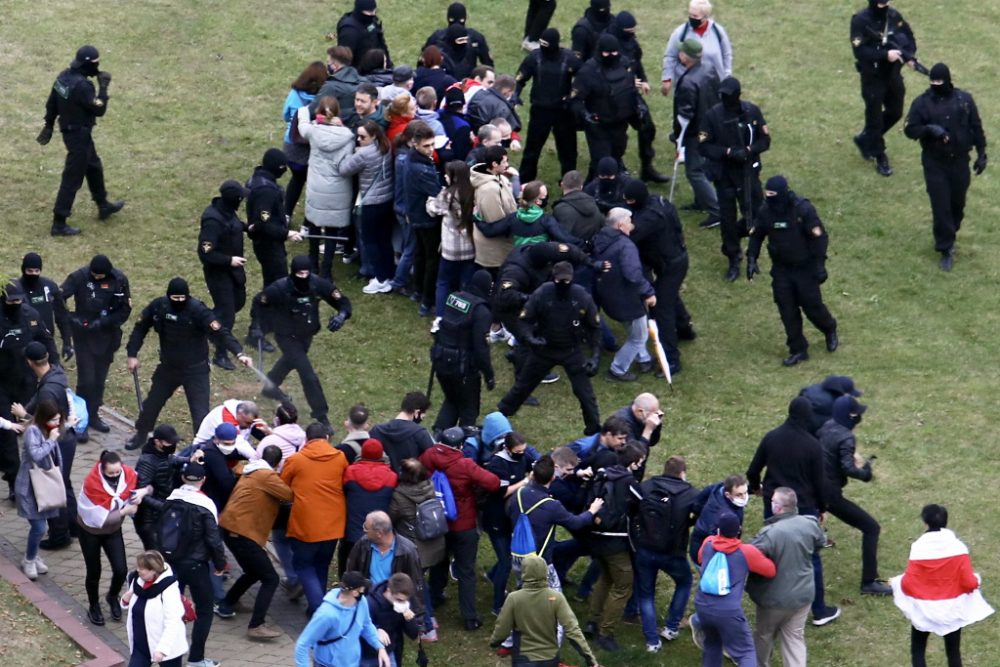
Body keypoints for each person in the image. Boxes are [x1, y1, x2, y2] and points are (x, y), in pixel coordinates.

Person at [746, 396, 840, 626]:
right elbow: (820, 482)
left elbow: (753, 469)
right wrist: (822, 508)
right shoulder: (812, 445)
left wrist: (756, 488)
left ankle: (771, 602)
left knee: (773, 549)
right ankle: (819, 610)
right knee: (811, 557)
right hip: (804, 507)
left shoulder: (772, 438)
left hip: (774, 504)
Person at [125, 278, 250, 449]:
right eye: (174, 298)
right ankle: (141, 434)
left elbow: (220, 333)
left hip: (196, 371)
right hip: (169, 367)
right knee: (151, 404)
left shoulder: (198, 310)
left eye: (182, 298)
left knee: (200, 414)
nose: (178, 302)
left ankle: (202, 449)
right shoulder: (159, 306)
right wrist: (132, 354)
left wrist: (239, 352)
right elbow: (140, 328)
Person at [497, 261, 603, 435]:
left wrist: (595, 357)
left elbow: (595, 328)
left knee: (585, 394)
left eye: (566, 281)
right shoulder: (542, 294)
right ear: (553, 279)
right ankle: (499, 418)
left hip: (571, 351)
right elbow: (524, 321)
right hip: (544, 349)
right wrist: (530, 339)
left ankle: (594, 430)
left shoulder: (582, 297)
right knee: (522, 387)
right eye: (559, 281)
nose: (563, 285)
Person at [747, 175, 838, 367]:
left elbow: (819, 238)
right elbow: (757, 235)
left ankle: (829, 328)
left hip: (804, 269)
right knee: (787, 311)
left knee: (812, 306)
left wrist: (820, 265)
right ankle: (798, 349)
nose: (769, 198)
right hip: (781, 269)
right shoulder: (766, 211)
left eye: (772, 195)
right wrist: (751, 258)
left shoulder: (802, 210)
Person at [903, 63, 987, 271]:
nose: (936, 85)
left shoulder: (964, 101)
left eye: (940, 82)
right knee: (941, 206)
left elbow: (976, 126)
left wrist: (982, 152)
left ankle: (951, 229)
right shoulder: (922, 104)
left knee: (957, 204)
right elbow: (910, 129)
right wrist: (930, 129)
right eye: (933, 82)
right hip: (935, 162)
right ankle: (945, 247)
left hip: (960, 160)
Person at [891, 504, 994, 667]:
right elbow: (969, 582)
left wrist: (897, 582)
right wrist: (977, 580)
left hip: (924, 610)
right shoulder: (959, 548)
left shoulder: (918, 548)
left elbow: (909, 584)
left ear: (925, 523)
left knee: (917, 650)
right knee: (953, 653)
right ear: (946, 522)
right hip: (952, 611)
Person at [419, 427, 501, 630]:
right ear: (460, 446)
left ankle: (435, 595)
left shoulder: (428, 456)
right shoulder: (464, 464)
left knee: (439, 561)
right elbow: (493, 483)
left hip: (437, 521)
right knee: (466, 570)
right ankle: (469, 617)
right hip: (463, 524)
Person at [253, 256, 352, 425]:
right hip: (286, 336)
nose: (303, 277)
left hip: (306, 335)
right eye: (300, 273)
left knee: (291, 361)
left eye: (306, 273)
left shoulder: (318, 284)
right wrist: (258, 326)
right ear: (293, 273)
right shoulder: (279, 288)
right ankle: (321, 414)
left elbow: (342, 302)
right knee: (308, 375)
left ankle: (270, 386)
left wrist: (341, 316)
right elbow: (259, 302)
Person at [39, 45, 124, 236]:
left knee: (93, 166)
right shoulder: (83, 87)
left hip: (73, 132)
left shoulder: (63, 77)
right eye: (95, 63)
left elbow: (52, 101)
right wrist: (103, 88)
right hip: (78, 135)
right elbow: (99, 109)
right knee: (72, 178)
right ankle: (59, 222)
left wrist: (49, 123)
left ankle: (103, 204)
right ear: (88, 65)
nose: (98, 66)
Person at [214, 445, 292, 640]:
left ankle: (227, 603)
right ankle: (256, 625)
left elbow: (237, 468)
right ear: (277, 463)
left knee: (253, 571)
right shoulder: (267, 476)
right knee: (270, 578)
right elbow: (288, 495)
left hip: (230, 526)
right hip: (243, 532)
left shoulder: (250, 469)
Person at [152, 461, 225, 667]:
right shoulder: (205, 506)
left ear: (183, 478)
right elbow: (213, 540)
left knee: (172, 609)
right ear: (203, 480)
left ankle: (169, 654)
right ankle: (196, 659)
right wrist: (220, 564)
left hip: (171, 562)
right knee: (204, 610)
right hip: (196, 565)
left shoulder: (171, 499)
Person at [817, 395, 891, 595]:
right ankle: (869, 582)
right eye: (856, 413)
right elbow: (848, 467)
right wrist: (866, 473)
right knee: (871, 527)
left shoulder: (826, 426)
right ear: (850, 415)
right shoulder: (846, 437)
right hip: (829, 495)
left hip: (814, 487)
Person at [746, 487, 827, 667]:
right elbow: (821, 542)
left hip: (774, 598)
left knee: (764, 635)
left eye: (773, 501)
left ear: (778, 507)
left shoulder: (770, 533)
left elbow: (749, 556)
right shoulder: (810, 523)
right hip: (804, 595)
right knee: (794, 636)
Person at [699, 76, 770, 280]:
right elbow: (704, 146)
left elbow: (765, 140)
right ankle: (732, 255)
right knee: (728, 218)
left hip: (748, 172)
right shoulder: (712, 116)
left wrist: (749, 150)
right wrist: (728, 152)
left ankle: (741, 234)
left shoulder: (751, 112)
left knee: (757, 213)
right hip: (725, 175)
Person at [623, 180, 693, 375]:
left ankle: (671, 359)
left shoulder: (648, 219)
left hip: (670, 265)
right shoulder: (660, 202)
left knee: (661, 308)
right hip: (673, 259)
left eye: (628, 200)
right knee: (669, 296)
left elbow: (629, 236)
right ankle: (684, 328)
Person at [281, 423, 349, 616]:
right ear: (327, 438)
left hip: (305, 523)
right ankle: (315, 608)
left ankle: (319, 608)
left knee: (303, 564)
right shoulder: (340, 457)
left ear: (306, 439)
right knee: (321, 564)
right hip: (333, 523)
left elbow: (282, 488)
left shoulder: (296, 459)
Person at [61, 254, 131, 442]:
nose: (98, 278)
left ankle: (93, 414)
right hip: (84, 337)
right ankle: (80, 420)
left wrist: (104, 322)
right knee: (86, 380)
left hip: (107, 337)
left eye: (101, 276)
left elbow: (125, 309)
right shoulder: (79, 277)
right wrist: (71, 318)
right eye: (95, 275)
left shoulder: (119, 279)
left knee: (99, 380)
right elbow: (59, 297)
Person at [633, 456, 700, 652]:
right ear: (682, 472)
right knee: (685, 581)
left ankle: (652, 642)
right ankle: (671, 627)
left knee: (646, 594)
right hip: (673, 552)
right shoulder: (691, 494)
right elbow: (699, 513)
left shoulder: (647, 486)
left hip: (644, 549)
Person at [693, 512, 776, 667]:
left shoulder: (708, 543)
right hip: (728, 612)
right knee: (745, 651)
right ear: (739, 530)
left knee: (712, 644)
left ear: (718, 530)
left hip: (702, 605)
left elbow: (700, 558)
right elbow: (770, 570)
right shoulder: (746, 552)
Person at [584, 441, 645, 652]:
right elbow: (642, 505)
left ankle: (592, 621)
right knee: (623, 586)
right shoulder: (629, 482)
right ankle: (605, 632)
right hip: (615, 541)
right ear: (633, 463)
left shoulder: (602, 474)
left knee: (605, 578)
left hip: (595, 538)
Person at [13, 342, 75, 550]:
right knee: (64, 483)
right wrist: (29, 409)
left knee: (53, 486)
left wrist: (26, 417)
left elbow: (46, 424)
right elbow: (40, 400)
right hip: (68, 437)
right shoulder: (55, 373)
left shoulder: (48, 390)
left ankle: (59, 536)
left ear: (30, 362)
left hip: (58, 441)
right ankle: (73, 526)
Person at [77, 450, 150, 626]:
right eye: (111, 473)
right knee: (94, 571)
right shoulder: (92, 484)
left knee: (121, 569)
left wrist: (143, 492)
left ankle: (112, 596)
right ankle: (94, 605)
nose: (116, 476)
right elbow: (98, 519)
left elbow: (148, 486)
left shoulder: (128, 475)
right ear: (102, 469)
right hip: (90, 531)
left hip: (113, 530)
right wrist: (125, 511)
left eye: (118, 472)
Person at [490, 555, 600, 667]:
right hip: (550, 659)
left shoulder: (514, 598)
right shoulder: (556, 598)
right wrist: (590, 659)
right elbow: (573, 630)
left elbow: (502, 627)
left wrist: (495, 642)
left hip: (524, 659)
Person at [850, 0, 918, 177]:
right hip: (872, 77)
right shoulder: (860, 21)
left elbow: (908, 36)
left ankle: (866, 139)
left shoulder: (894, 16)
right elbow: (860, 51)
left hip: (892, 74)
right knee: (874, 119)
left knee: (896, 111)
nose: (883, 6)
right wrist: (884, 55)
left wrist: (908, 55)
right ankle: (879, 154)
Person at [592, 207, 656, 382]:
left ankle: (643, 358)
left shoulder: (600, 238)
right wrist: (648, 292)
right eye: (629, 221)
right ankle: (618, 370)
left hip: (608, 295)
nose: (632, 225)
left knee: (634, 328)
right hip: (627, 299)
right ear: (621, 225)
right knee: (639, 336)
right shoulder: (626, 246)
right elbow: (633, 274)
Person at [296, 96, 356, 278]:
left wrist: (304, 111)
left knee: (314, 224)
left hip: (317, 185)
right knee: (332, 229)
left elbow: (302, 126)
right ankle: (327, 269)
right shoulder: (348, 137)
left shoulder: (314, 132)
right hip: (338, 188)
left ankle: (312, 262)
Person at [430, 270, 495, 431]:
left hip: (441, 359)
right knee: (469, 408)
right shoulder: (481, 311)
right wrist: (489, 375)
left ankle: (439, 437)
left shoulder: (454, 298)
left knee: (451, 400)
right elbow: (481, 348)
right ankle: (463, 445)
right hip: (463, 367)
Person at [388, 458, 445, 641]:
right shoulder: (429, 486)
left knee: (417, 586)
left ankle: (428, 627)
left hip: (415, 549)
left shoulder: (399, 496)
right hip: (435, 545)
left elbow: (391, 518)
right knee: (422, 583)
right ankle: (432, 618)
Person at [609, 11, 670, 183]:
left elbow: (637, 62)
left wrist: (643, 80)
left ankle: (647, 167)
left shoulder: (631, 43)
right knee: (617, 137)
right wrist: (628, 81)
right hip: (613, 97)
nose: (632, 34)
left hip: (631, 94)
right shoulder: (608, 43)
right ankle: (617, 169)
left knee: (647, 128)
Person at [198, 179, 252, 369]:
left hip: (233, 271)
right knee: (227, 313)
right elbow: (206, 253)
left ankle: (202, 323)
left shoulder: (227, 212)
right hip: (218, 273)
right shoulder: (213, 221)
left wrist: (247, 228)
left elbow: (234, 224)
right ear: (234, 199)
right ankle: (220, 354)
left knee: (238, 302)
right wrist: (229, 260)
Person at [571, 34, 638, 180]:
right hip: (598, 125)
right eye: (607, 53)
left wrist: (637, 109)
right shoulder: (588, 71)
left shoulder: (624, 64)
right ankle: (591, 192)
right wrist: (585, 115)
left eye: (614, 52)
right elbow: (575, 99)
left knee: (616, 155)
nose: (611, 56)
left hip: (620, 122)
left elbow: (630, 89)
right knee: (601, 162)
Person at [340, 120, 395, 293]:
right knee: (384, 240)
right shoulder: (386, 146)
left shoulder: (364, 154)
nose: (358, 139)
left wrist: (350, 154)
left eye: (362, 137)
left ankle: (379, 278)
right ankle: (388, 274)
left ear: (373, 136)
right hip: (387, 200)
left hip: (371, 202)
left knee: (370, 241)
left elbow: (344, 169)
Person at [294, 571, 391, 667]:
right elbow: (303, 645)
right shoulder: (326, 614)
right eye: (362, 588)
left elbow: (366, 625)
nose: (364, 591)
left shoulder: (361, 602)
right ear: (354, 592)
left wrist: (379, 647)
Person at [672, 38, 720, 227]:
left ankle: (717, 211)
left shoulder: (688, 83)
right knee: (703, 166)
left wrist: (678, 137)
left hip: (696, 132)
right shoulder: (709, 68)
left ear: (686, 57)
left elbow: (684, 116)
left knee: (695, 171)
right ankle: (701, 201)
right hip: (710, 127)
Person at [346, 511, 427, 623]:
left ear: (379, 533)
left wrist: (418, 619)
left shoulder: (408, 551)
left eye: (366, 528)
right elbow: (351, 571)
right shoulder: (363, 544)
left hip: (392, 606)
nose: (363, 530)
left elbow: (416, 584)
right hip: (367, 602)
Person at [246, 148, 300, 299]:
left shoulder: (257, 179)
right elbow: (264, 224)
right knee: (278, 284)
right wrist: (286, 233)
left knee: (272, 281)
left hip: (265, 242)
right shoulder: (266, 190)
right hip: (268, 244)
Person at [14, 400, 59, 580]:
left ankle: (34, 555)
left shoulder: (46, 429)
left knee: (41, 525)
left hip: (43, 487)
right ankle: (29, 559)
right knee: (39, 527)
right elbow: (37, 455)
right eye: (54, 419)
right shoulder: (33, 431)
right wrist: (52, 440)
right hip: (30, 487)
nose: (57, 423)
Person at [121, 550, 188, 667]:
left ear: (153, 571)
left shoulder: (169, 590)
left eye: (142, 568)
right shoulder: (138, 581)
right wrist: (125, 600)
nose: (138, 570)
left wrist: (162, 649)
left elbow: (173, 622)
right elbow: (132, 605)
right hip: (141, 646)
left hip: (166, 650)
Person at [340, 443, 399, 576]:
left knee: (351, 569)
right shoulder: (392, 476)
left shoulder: (350, 472)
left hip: (353, 531)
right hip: (379, 533)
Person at [428, 161, 478, 316]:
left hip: (451, 249)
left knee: (443, 282)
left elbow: (433, 210)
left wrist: (429, 200)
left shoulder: (446, 195)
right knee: (466, 284)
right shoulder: (473, 192)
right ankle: (464, 316)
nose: (444, 176)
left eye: (447, 174)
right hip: (470, 247)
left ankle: (441, 317)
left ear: (454, 177)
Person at [406, 124, 446, 317]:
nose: (431, 149)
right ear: (415, 144)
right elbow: (437, 193)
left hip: (414, 215)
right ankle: (427, 300)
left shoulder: (410, 159)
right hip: (427, 218)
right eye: (426, 146)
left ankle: (417, 290)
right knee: (432, 259)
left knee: (420, 254)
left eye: (432, 145)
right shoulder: (423, 169)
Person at [132, 425, 191, 551]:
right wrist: (164, 507)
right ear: (157, 442)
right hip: (149, 520)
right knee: (156, 555)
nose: (173, 445)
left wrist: (189, 459)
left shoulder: (162, 454)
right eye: (169, 442)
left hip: (161, 513)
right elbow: (140, 494)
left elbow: (171, 460)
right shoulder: (147, 463)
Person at [283, 61, 328, 218]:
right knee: (314, 184)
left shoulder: (294, 94)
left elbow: (286, 115)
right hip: (314, 146)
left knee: (296, 179)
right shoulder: (325, 97)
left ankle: (286, 214)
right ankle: (310, 222)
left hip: (293, 146)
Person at [660, 0, 733, 97]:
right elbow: (670, 56)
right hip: (688, 86)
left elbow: (726, 54)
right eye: (690, 14)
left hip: (713, 84)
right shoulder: (680, 32)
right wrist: (667, 79)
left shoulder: (718, 31)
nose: (691, 18)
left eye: (695, 16)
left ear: (705, 16)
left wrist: (727, 75)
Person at [471, 145, 518, 276]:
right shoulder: (488, 190)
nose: (507, 165)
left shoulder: (500, 178)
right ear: (494, 164)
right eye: (504, 162)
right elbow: (496, 222)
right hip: (494, 249)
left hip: (502, 244)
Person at [17, 253, 72, 360]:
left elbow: (61, 314)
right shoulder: (15, 290)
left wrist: (67, 341)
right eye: (30, 271)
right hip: (23, 340)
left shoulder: (49, 286)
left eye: (36, 271)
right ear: (23, 270)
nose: (33, 274)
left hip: (45, 339)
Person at [690, 474, 749, 565]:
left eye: (745, 492)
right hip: (703, 551)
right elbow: (721, 543)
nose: (744, 497)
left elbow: (698, 502)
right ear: (727, 494)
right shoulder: (721, 517)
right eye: (739, 495)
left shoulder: (719, 488)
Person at [371, 392, 435, 472]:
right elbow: (431, 460)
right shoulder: (421, 434)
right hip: (409, 481)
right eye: (423, 416)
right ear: (416, 412)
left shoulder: (376, 430)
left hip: (382, 480)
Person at [426, 3, 493, 69]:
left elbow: (423, 62)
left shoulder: (437, 37)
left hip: (447, 78)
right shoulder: (475, 37)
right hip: (455, 78)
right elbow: (488, 65)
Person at [335, 0, 392, 69]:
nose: (372, 14)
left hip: (376, 68)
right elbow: (344, 59)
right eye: (369, 12)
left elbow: (381, 44)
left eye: (374, 11)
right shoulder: (349, 30)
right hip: (359, 73)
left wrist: (389, 66)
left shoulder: (373, 21)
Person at [553, 171, 604, 243]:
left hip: (570, 251)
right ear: (581, 187)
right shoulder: (594, 205)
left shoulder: (560, 209)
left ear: (562, 185)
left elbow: (559, 238)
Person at [317, 47, 363, 123]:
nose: (327, 65)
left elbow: (314, 111)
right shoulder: (365, 82)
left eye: (328, 62)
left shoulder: (331, 87)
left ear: (335, 65)